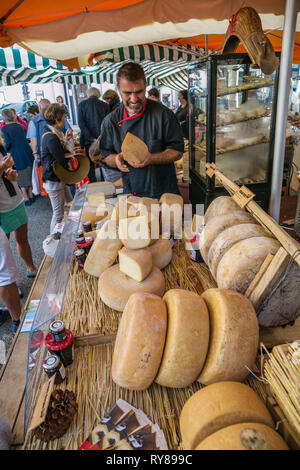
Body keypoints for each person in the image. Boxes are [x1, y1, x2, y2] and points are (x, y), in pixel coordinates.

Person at [99, 62, 184, 198]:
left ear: (145, 86)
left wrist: (151, 158)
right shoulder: (111, 122)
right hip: (132, 193)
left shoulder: (163, 115)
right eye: (127, 93)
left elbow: (177, 151)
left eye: (139, 92)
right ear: (118, 88)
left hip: (164, 192)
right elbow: (106, 154)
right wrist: (116, 159)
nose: (133, 99)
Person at [0, 153, 37, 281]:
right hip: (1, 209)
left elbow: (8, 174)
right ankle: (10, 284)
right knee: (3, 249)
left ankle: (31, 267)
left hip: (15, 199)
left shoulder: (0, 146)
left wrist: (13, 176)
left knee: (22, 238)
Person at [41, 103, 73, 235]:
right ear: (57, 120)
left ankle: (67, 233)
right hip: (54, 180)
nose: (65, 120)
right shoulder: (52, 137)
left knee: (70, 204)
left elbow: (57, 152)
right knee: (58, 214)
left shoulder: (53, 133)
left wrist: (66, 140)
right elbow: (61, 159)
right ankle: (53, 241)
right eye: (63, 117)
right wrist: (72, 155)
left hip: (57, 179)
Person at [1, 108, 35, 205]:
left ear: (4, 118)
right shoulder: (20, 126)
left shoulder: (4, 129)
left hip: (16, 155)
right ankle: (31, 195)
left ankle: (26, 197)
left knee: (20, 176)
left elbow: (7, 144)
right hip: (27, 153)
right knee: (28, 173)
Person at [78, 87, 109, 182]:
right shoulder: (104, 105)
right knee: (103, 161)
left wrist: (91, 138)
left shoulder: (82, 104)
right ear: (98, 94)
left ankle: (92, 183)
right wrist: (99, 138)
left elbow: (81, 124)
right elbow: (107, 124)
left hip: (88, 140)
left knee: (89, 163)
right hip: (102, 139)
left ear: (88, 94)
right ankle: (105, 182)